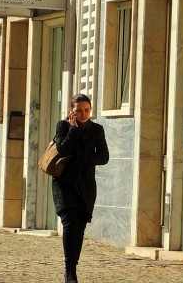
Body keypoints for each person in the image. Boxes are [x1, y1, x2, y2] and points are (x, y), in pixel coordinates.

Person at [51, 93, 108, 283]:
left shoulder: (97, 130)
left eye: (87, 110)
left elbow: (103, 157)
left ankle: (73, 266)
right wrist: (73, 131)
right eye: (79, 111)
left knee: (80, 228)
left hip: (86, 187)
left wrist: (82, 157)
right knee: (69, 223)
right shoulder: (63, 126)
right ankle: (70, 272)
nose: (84, 114)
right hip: (64, 184)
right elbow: (62, 150)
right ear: (71, 111)